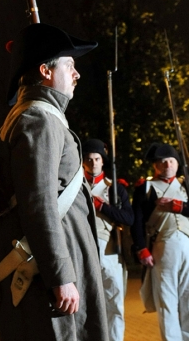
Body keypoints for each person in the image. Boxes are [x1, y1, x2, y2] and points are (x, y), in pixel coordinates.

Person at [0, 23, 108, 340]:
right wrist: (61, 275)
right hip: (44, 276)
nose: (76, 74)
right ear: (45, 71)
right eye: (69, 65)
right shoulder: (38, 118)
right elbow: (38, 203)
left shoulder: (34, 114)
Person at [131, 143, 189, 341]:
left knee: (188, 298)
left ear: (177, 164)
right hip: (163, 245)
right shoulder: (145, 188)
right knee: (167, 298)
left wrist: (179, 206)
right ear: (155, 166)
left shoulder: (185, 185)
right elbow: (136, 220)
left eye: (171, 161)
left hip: (187, 244)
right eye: (162, 162)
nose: (167, 165)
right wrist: (141, 248)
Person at [82, 138, 133, 341]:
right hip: (82, 247)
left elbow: (128, 218)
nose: (93, 163)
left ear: (103, 161)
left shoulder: (115, 189)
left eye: (97, 158)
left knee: (114, 304)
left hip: (109, 250)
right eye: (88, 159)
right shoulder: (76, 186)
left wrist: (103, 206)